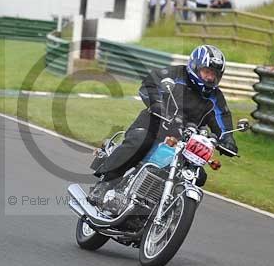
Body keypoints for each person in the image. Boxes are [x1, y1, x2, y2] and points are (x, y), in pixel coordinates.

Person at [89, 45, 238, 202]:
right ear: (195, 66)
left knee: (198, 175)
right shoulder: (176, 74)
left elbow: (223, 119)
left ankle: (163, 209)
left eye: (214, 75)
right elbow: (150, 84)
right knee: (140, 141)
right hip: (154, 126)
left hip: (183, 143)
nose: (210, 78)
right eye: (207, 72)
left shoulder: (215, 97)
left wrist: (228, 140)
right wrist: (157, 104)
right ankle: (105, 185)